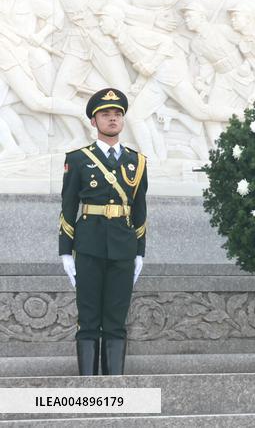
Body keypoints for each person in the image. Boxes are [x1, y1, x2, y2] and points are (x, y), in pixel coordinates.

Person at [59, 89, 149, 375]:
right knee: (88, 319)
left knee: (115, 320)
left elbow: (140, 210)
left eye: (117, 114)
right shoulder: (78, 159)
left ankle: (114, 389)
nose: (112, 119)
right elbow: (68, 206)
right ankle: (88, 388)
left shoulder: (138, 161)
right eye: (106, 115)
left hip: (123, 247)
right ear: (94, 121)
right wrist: (65, 252)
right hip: (88, 246)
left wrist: (139, 252)